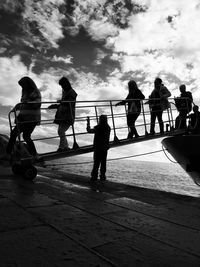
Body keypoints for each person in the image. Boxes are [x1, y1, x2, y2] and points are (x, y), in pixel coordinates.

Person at [6, 76, 41, 157]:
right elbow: (22, 104)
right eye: (21, 86)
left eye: (23, 85)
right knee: (17, 134)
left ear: (28, 84)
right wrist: (16, 108)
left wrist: (27, 102)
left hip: (31, 118)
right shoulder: (25, 92)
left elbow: (38, 103)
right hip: (23, 118)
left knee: (23, 135)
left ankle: (34, 154)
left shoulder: (35, 92)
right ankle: (9, 153)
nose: (22, 87)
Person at [49, 77, 77, 152]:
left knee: (61, 131)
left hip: (68, 115)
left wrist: (61, 101)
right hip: (62, 115)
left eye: (62, 85)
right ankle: (66, 147)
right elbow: (63, 103)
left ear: (65, 84)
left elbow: (70, 103)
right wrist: (55, 105)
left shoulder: (72, 92)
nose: (62, 87)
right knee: (61, 131)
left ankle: (61, 147)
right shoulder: (65, 91)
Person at [86, 115, 111, 181]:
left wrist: (88, 122)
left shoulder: (98, 128)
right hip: (105, 148)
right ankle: (102, 176)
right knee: (103, 163)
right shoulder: (108, 128)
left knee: (96, 163)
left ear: (100, 120)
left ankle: (94, 177)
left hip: (98, 148)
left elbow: (89, 130)